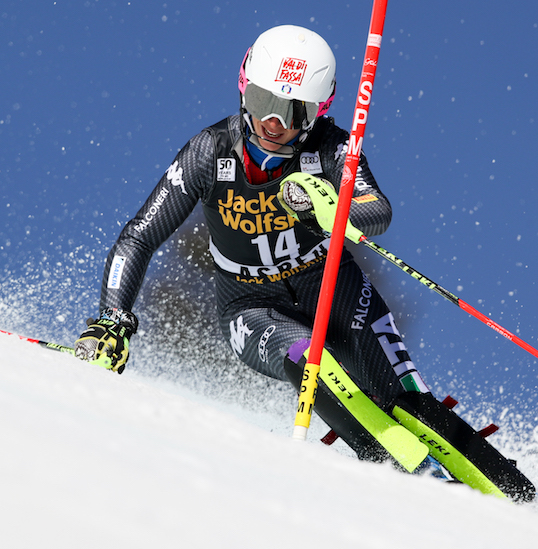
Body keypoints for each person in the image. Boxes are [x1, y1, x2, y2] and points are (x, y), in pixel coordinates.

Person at [74, 25, 429, 458]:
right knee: (311, 366)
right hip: (250, 305)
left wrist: (331, 209)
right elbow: (139, 237)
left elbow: (378, 211)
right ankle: (388, 466)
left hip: (329, 283)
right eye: (264, 102)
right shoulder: (209, 153)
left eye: (293, 110)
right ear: (244, 90)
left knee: (407, 396)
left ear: (318, 111)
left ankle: (491, 480)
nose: (273, 122)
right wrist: (113, 320)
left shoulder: (333, 149)